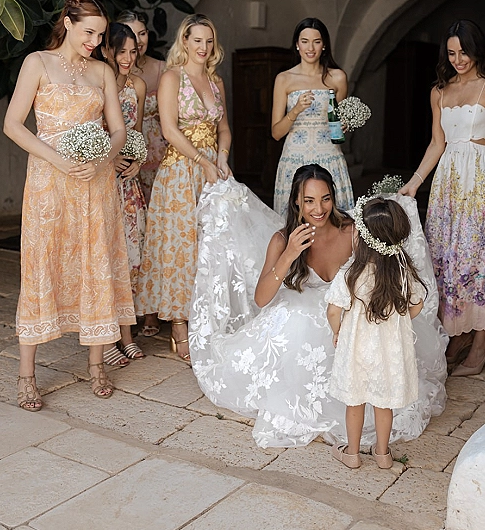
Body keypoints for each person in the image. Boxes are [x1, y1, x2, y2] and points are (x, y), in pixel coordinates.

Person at [190, 165, 447, 449]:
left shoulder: (351, 231)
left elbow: (378, 274)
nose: (319, 208)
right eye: (309, 200)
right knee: (298, 322)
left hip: (348, 310)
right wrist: (288, 254)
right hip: (303, 312)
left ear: (333, 197)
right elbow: (261, 299)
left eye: (325, 198)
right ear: (297, 201)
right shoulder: (281, 238)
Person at [3, 0, 136, 408]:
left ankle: (97, 364)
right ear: (67, 22)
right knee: (43, 263)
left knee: (94, 262)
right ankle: (27, 375)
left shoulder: (102, 72)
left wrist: (102, 158)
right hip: (48, 182)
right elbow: (13, 125)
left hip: (94, 184)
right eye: (88, 32)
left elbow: (117, 130)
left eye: (100, 35)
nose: (95, 42)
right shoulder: (38, 63)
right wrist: (59, 160)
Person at [400, 19, 485, 376]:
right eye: (452, 53)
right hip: (449, 183)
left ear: (478, 50)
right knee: (451, 258)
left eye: (465, 52)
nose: (459, 59)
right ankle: (458, 333)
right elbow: (436, 143)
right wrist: (414, 182)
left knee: (482, 259)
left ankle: (481, 343)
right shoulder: (439, 92)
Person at [136, 14, 232, 357]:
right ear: (185, 42)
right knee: (180, 246)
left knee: (210, 244)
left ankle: (206, 315)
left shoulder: (216, 81)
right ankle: (179, 324)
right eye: (197, 41)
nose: (203, 48)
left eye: (209, 41)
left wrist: (221, 158)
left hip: (212, 170)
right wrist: (203, 161)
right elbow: (169, 130)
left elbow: (224, 129)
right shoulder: (171, 77)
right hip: (181, 169)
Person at [327, 197, 424, 470]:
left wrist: (339, 332)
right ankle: (383, 454)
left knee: (355, 401)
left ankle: (353, 453)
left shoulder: (351, 273)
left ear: (363, 238)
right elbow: (416, 304)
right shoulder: (402, 272)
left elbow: (333, 311)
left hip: (357, 348)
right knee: (384, 404)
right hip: (389, 350)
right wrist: (400, 321)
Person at [271, 17, 354, 216]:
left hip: (329, 156)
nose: (311, 47)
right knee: (295, 221)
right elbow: (276, 133)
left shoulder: (338, 77)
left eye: (316, 41)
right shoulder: (284, 79)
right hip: (294, 158)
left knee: (334, 219)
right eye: (305, 41)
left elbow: (339, 122)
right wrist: (296, 110)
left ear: (324, 45)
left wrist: (346, 125)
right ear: (297, 45)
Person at [100, 22, 147, 364]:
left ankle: (126, 334)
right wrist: (111, 157)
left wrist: (137, 161)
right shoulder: (97, 81)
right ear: (107, 51)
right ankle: (104, 339)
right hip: (102, 176)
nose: (129, 58)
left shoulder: (139, 86)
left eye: (133, 51)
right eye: (122, 51)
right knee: (104, 255)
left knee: (130, 256)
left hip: (128, 183)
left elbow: (138, 134)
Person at [118, 10, 167, 204]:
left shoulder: (162, 69)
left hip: (159, 149)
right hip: (124, 152)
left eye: (143, 33)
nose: (138, 40)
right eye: (131, 33)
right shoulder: (111, 71)